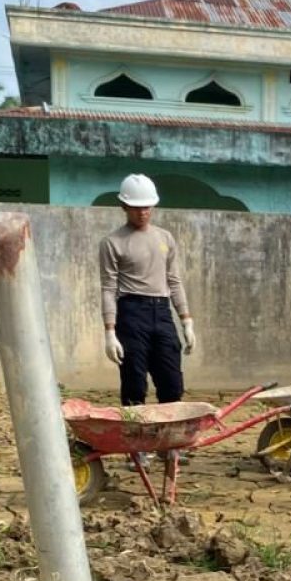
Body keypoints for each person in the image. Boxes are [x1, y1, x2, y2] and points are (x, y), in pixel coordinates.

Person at [99, 173, 195, 409]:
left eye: (147, 207)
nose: (142, 212)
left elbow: (174, 280)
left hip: (162, 313)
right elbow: (108, 287)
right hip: (132, 313)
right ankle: (136, 443)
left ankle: (169, 443)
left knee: (171, 382)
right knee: (134, 383)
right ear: (124, 206)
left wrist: (186, 321)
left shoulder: (165, 238)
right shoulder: (113, 242)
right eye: (136, 207)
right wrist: (110, 332)